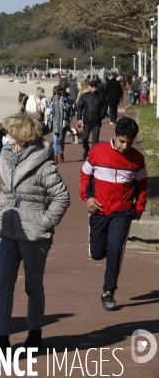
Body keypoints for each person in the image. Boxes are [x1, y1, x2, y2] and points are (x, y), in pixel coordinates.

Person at [0, 114, 69, 353]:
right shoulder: (8, 159)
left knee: (33, 286)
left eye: (8, 133)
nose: (5, 137)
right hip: (8, 229)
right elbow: (5, 192)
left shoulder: (44, 165)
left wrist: (45, 222)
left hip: (33, 234)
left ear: (20, 136)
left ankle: (34, 333)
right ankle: (0, 336)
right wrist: (0, 210)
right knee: (3, 285)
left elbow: (62, 197)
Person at [80, 117, 146, 311]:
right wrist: (87, 198)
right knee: (98, 253)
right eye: (122, 141)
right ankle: (101, 245)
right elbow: (85, 175)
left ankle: (108, 292)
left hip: (123, 211)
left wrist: (139, 206)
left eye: (130, 143)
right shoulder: (97, 152)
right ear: (114, 135)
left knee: (115, 249)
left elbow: (142, 184)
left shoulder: (137, 159)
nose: (125, 146)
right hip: (99, 209)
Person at [48, 85, 73, 163]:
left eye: (57, 93)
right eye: (54, 93)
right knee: (55, 140)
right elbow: (49, 112)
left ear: (60, 92)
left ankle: (61, 153)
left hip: (63, 124)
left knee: (61, 140)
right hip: (54, 123)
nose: (56, 95)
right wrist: (49, 120)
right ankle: (55, 156)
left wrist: (68, 120)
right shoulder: (52, 101)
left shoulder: (65, 101)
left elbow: (71, 112)